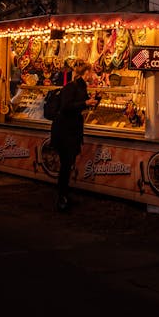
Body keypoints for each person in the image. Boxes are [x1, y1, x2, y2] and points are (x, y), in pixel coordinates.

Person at [50, 60, 101, 211]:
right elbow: (66, 107)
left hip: (73, 130)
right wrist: (85, 103)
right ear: (86, 73)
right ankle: (61, 198)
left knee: (68, 163)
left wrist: (96, 100)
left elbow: (85, 106)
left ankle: (65, 194)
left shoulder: (81, 87)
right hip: (64, 131)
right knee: (66, 164)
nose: (93, 75)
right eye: (91, 72)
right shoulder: (71, 87)